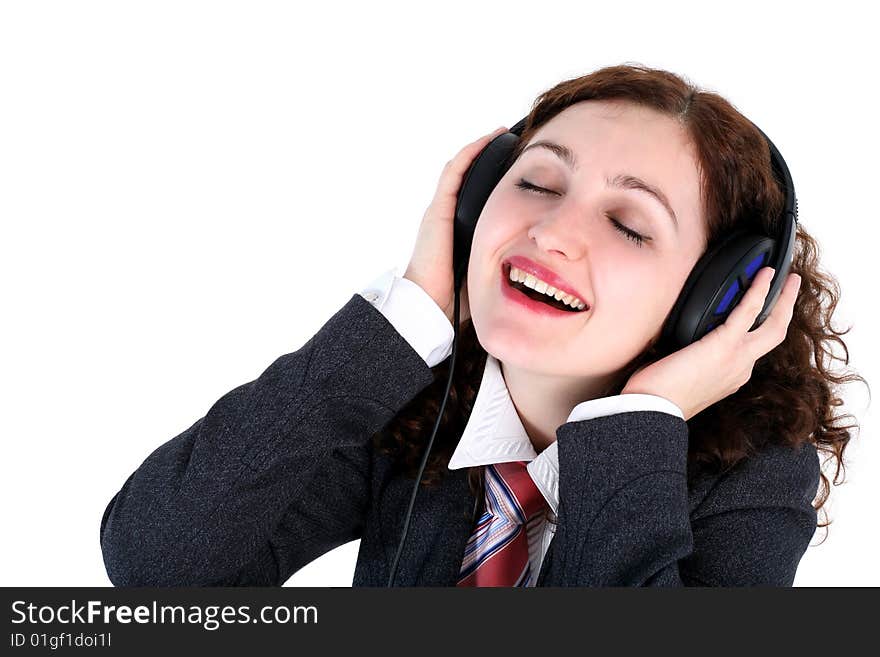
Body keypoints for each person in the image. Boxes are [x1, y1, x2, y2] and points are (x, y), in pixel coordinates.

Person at [100, 63, 863, 587]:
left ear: (716, 300)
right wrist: (400, 324)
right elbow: (157, 562)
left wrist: (639, 425)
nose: (553, 230)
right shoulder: (407, 399)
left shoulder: (753, 482)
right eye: (535, 180)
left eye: (630, 224)